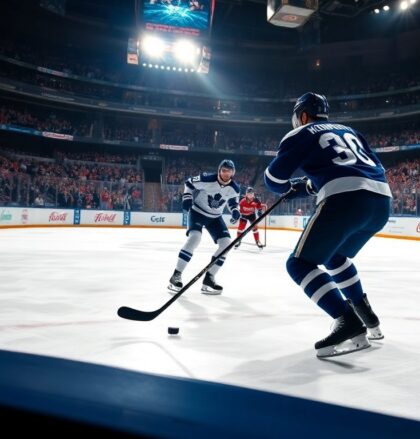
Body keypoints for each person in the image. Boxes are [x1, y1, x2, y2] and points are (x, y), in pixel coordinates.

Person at [264, 92, 392, 358]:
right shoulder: (351, 131)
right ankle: (367, 316)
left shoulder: (300, 133)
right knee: (335, 257)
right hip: (381, 201)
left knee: (299, 263)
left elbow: (273, 180)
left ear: (302, 116)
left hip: (344, 200)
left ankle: (348, 322)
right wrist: (310, 185)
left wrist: (289, 187)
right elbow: (359, 166)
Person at [168, 159, 241, 295]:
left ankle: (209, 278)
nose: (226, 173)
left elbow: (233, 202)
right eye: (224, 170)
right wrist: (187, 197)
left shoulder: (235, 188)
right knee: (195, 238)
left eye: (229, 171)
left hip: (215, 218)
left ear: (233, 172)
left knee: (226, 244)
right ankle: (176, 275)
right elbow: (189, 183)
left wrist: (235, 210)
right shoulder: (207, 178)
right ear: (219, 170)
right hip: (198, 212)